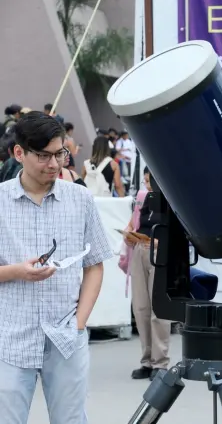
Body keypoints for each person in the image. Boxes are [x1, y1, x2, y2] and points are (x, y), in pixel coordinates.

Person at [0, 111, 112, 424]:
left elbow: (94, 265)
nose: (54, 164)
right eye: (44, 156)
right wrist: (18, 272)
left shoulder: (80, 199)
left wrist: (79, 323)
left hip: (66, 338)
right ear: (19, 153)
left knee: (71, 420)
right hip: (9, 337)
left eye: (59, 154)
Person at [126, 168, 172, 381]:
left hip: (160, 251)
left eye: (149, 180)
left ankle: (160, 361)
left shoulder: (172, 197)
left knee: (159, 309)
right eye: (144, 181)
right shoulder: (144, 199)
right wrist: (129, 236)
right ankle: (146, 359)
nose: (147, 185)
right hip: (140, 249)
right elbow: (135, 223)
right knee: (141, 306)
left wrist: (161, 242)